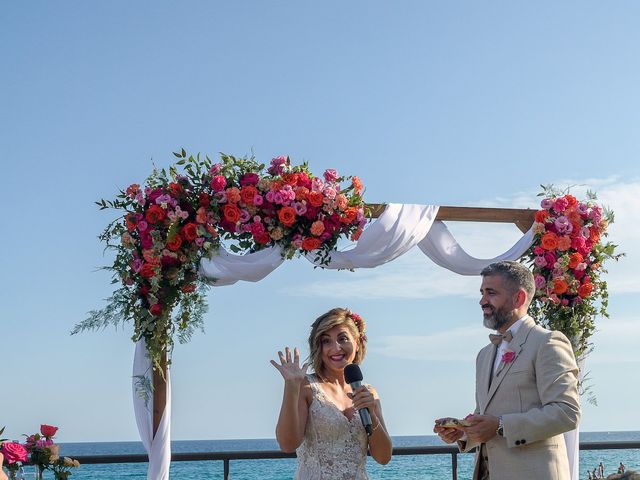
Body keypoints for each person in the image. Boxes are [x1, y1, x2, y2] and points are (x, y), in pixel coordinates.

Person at [434, 260, 581, 480]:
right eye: (482, 292)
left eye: (491, 293)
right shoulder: (484, 355)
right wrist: (463, 431)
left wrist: (502, 426)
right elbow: (487, 419)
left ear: (518, 298)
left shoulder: (547, 343)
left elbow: (567, 412)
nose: (482, 301)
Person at [271, 307, 392, 479]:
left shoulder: (368, 393)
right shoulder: (306, 387)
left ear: (357, 343)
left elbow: (383, 457)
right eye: (326, 341)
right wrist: (291, 386)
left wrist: (371, 413)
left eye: (342, 339)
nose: (336, 348)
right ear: (318, 348)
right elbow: (287, 444)